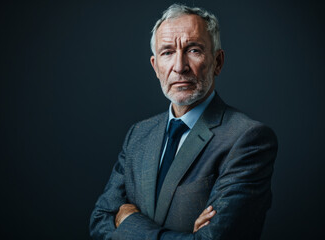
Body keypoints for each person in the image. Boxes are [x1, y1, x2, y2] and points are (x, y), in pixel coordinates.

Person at [90, 4, 277, 240]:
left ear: (218, 62)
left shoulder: (247, 139)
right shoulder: (138, 134)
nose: (179, 67)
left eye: (194, 50)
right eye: (167, 52)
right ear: (155, 66)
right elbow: (99, 221)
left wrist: (128, 221)